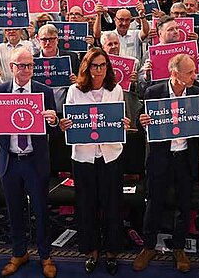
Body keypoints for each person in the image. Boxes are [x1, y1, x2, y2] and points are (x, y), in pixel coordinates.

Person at [0, 49, 59, 278]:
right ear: (11, 67)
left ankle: (45, 255)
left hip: (35, 161)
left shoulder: (44, 91)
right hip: (9, 161)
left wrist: (53, 121)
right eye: (21, 66)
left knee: (40, 211)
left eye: (29, 65)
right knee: (14, 211)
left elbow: (55, 128)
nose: (25, 70)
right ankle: (19, 252)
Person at [133, 54, 199, 273]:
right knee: (154, 203)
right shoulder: (153, 92)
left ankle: (179, 247)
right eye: (189, 72)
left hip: (186, 157)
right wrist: (143, 121)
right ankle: (148, 246)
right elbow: (142, 120)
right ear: (174, 74)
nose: (194, 75)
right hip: (160, 158)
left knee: (184, 205)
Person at [59, 48, 131, 275]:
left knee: (112, 205)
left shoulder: (116, 89)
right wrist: (65, 126)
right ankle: (92, 251)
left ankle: (112, 252)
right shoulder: (74, 91)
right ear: (86, 67)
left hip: (111, 155)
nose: (98, 70)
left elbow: (119, 120)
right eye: (94, 66)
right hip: (83, 157)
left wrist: (123, 125)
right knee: (86, 205)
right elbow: (70, 122)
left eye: (102, 65)